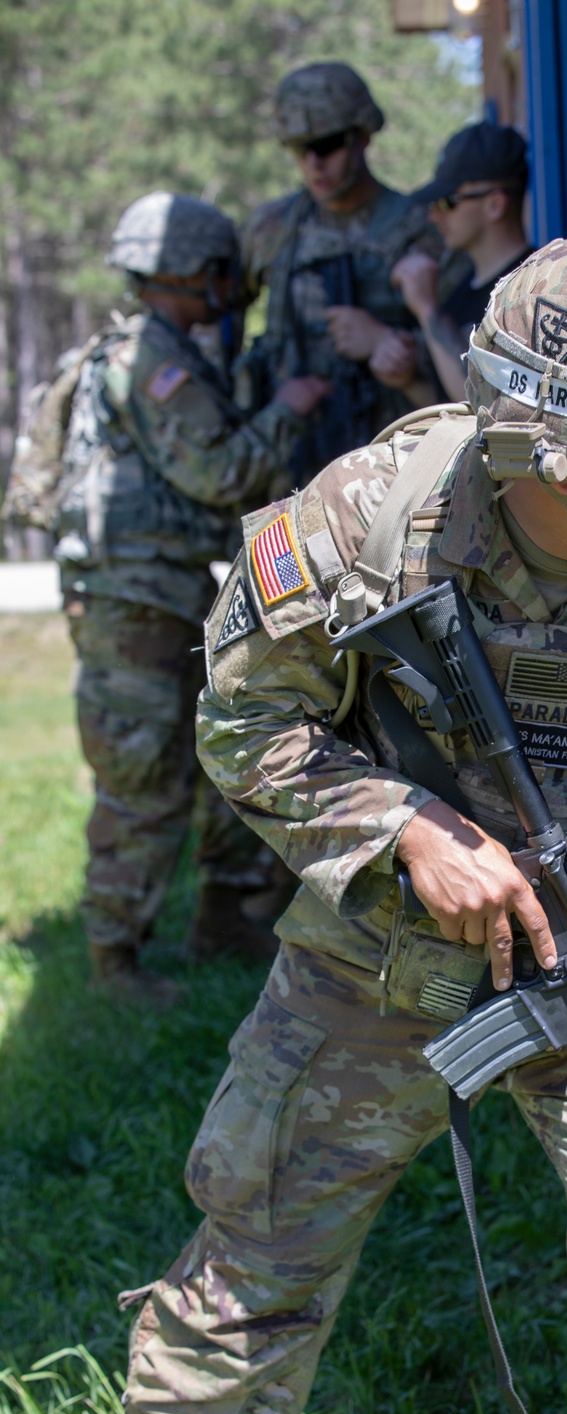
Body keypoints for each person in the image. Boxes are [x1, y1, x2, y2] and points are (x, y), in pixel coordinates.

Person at [114, 236, 567, 1414]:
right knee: (245, 1290)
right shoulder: (370, 522)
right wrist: (405, 827)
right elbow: (240, 722)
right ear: (562, 455)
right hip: (371, 974)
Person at [57, 191, 328, 1004]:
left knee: (210, 760)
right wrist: (288, 410)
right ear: (187, 273)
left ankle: (218, 919)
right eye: (218, 274)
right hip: (130, 601)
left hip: (159, 594)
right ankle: (114, 961)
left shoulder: (166, 347)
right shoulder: (151, 359)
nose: (229, 290)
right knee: (143, 780)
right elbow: (219, 473)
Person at [238, 60, 442, 487]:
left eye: (327, 145)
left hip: (388, 460)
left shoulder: (418, 229)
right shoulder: (271, 230)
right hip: (291, 457)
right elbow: (219, 326)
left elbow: (461, 349)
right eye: (299, 148)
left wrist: (392, 346)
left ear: (361, 136)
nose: (314, 163)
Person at [376, 121, 532, 402]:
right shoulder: (458, 295)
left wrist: (426, 308)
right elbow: (453, 412)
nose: (435, 215)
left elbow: (481, 404)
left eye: (448, 202)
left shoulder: (533, 288)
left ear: (494, 204)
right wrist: (406, 381)